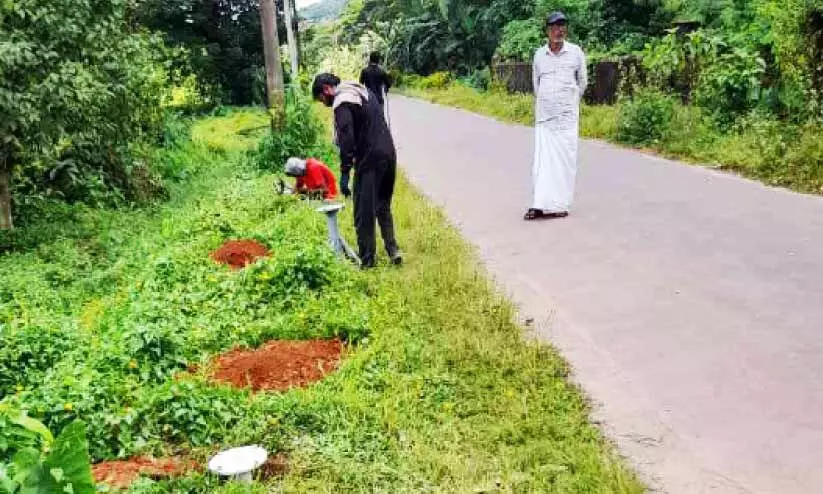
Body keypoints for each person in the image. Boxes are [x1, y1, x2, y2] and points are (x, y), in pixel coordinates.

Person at [312, 73, 402, 268]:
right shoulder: (363, 91)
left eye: (321, 99)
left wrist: (345, 172)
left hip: (370, 160)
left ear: (327, 89)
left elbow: (347, 138)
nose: (324, 103)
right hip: (389, 154)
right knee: (382, 205)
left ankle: (368, 262)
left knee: (363, 212)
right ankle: (393, 250)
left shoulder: (342, 101)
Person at [525, 11, 588, 221]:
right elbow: (536, 85)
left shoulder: (576, 53)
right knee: (542, 163)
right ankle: (538, 204)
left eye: (562, 26)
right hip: (545, 118)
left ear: (566, 30)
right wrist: (548, 101)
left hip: (567, 119)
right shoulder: (539, 55)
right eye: (554, 27)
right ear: (547, 31)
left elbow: (582, 83)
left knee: (564, 162)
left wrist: (569, 102)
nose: (558, 31)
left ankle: (560, 205)